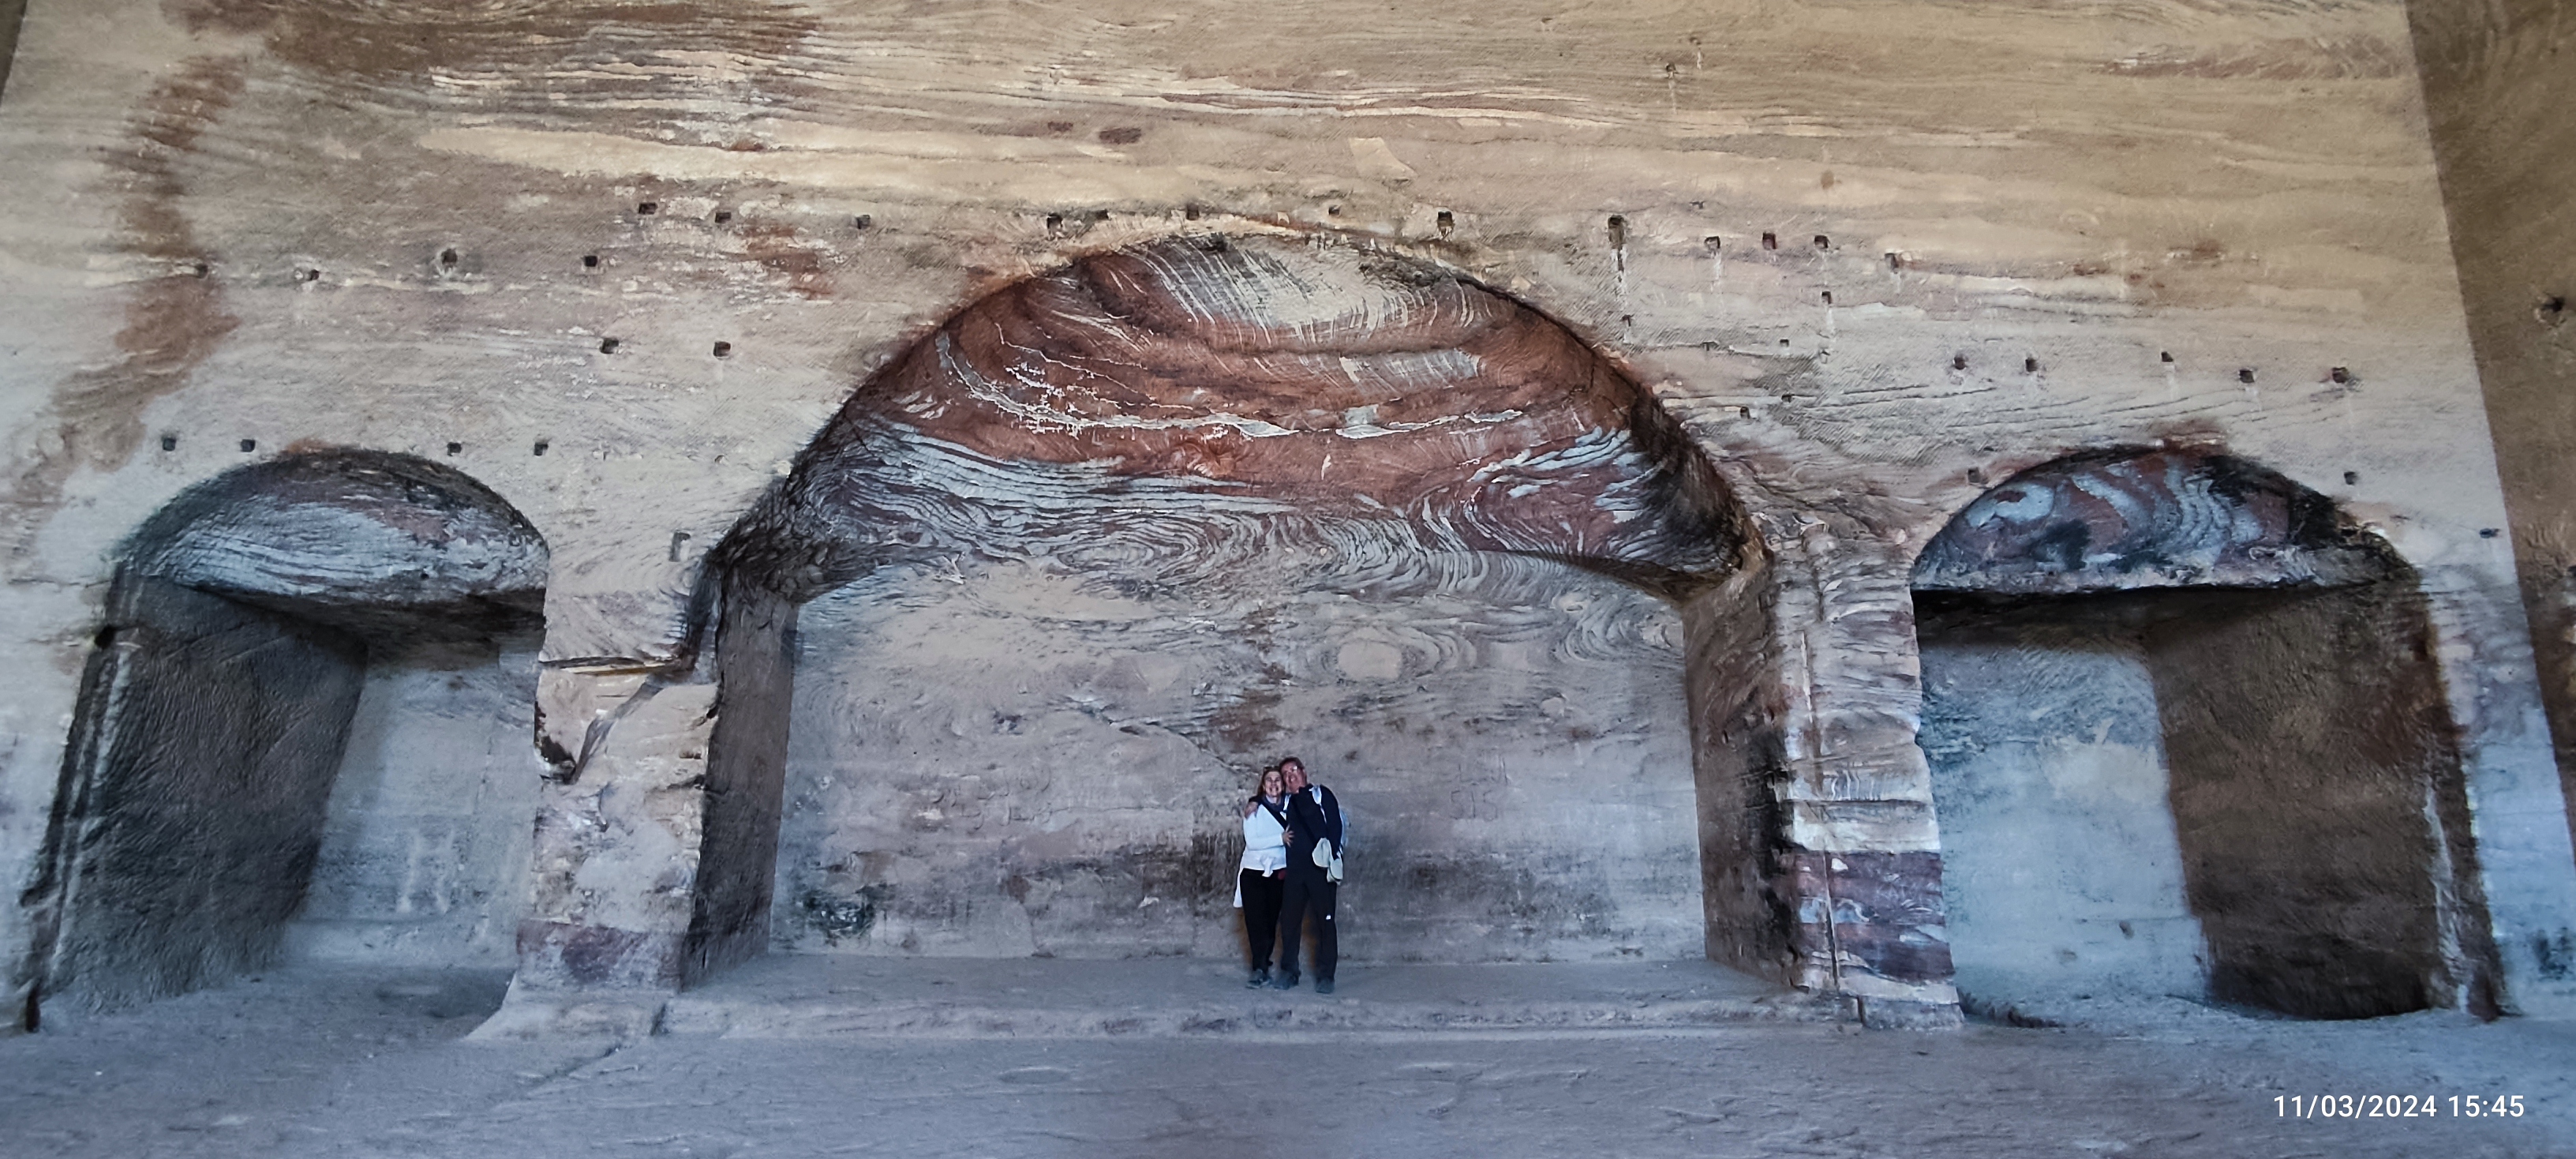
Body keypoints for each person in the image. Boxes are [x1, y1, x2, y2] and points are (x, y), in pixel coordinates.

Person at [1271, 756, 1342, 994]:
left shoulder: (1321, 795)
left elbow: (1334, 826)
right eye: (1285, 774)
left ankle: (1326, 975)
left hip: (1320, 870)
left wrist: (1331, 857)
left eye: (1293, 770)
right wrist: (1253, 802)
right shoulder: (1285, 802)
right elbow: (1265, 802)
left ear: (1304, 772)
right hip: (1295, 871)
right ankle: (1289, 972)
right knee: (1289, 922)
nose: (1290, 776)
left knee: (1325, 922)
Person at [1234, 765, 1290, 988]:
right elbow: (1252, 842)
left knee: (1270, 921)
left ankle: (1264, 964)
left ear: (1283, 785)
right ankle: (1259, 968)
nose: (1273, 784)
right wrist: (1280, 838)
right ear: (1263, 785)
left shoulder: (1290, 807)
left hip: (1279, 872)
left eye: (1278, 780)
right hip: (1254, 873)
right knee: (1255, 921)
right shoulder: (1254, 810)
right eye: (1269, 780)